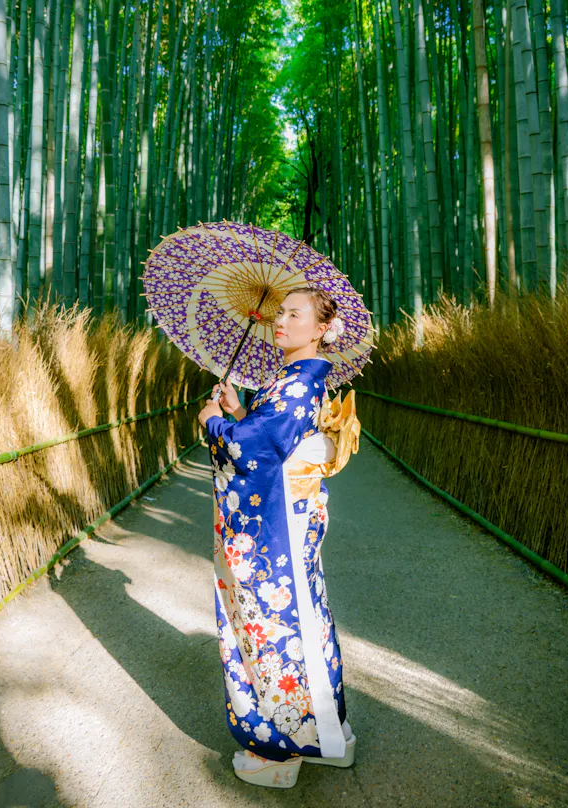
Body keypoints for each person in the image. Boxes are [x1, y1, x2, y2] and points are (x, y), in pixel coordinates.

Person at [197, 285, 359, 789]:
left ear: (321, 329)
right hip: (288, 515)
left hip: (277, 526)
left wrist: (215, 423)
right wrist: (238, 411)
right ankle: (327, 736)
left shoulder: (298, 383)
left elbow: (256, 450)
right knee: (301, 618)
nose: (281, 322)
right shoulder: (294, 379)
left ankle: (281, 749)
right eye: (280, 313)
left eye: (295, 314)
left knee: (273, 624)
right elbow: (269, 437)